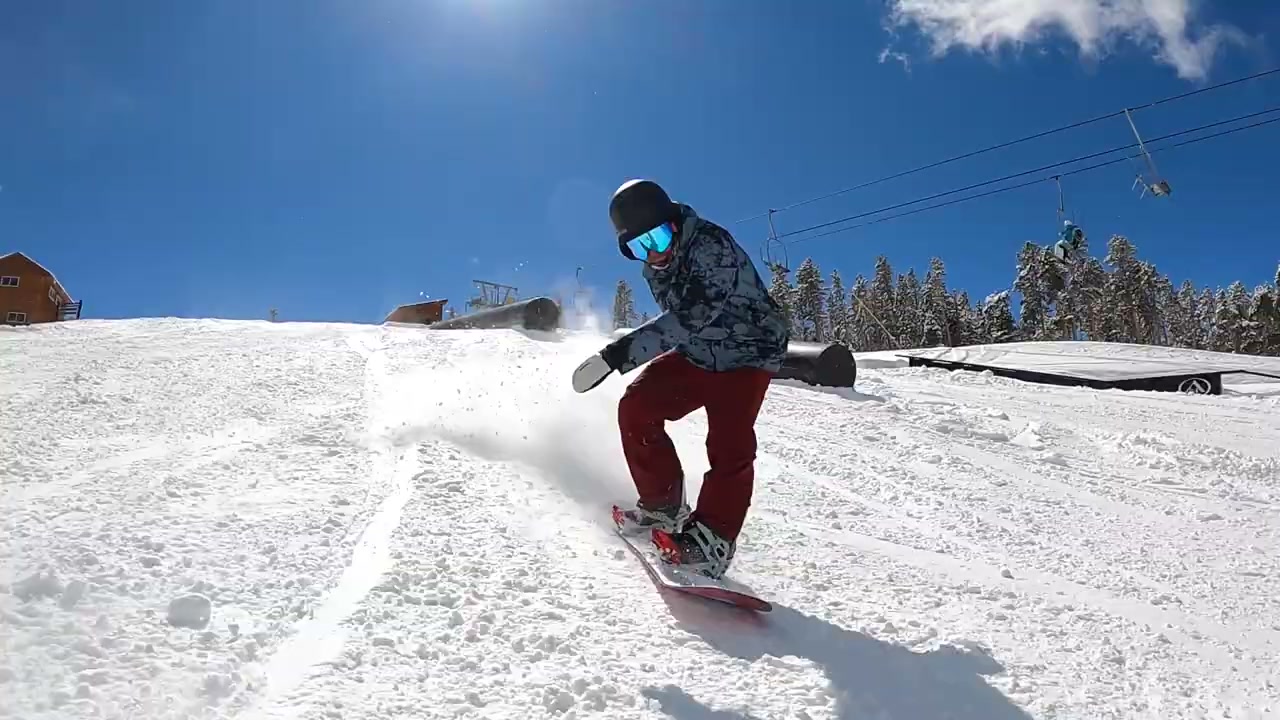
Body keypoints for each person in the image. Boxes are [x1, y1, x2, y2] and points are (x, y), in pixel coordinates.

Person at [571, 178, 790, 579]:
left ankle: (712, 540)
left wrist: (619, 353)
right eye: (640, 247)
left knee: (730, 440)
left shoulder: (710, 245)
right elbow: (687, 327)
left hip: (749, 351)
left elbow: (691, 315)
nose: (654, 253)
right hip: (699, 353)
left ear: (673, 223)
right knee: (638, 407)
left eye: (656, 237)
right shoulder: (655, 269)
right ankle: (663, 505)